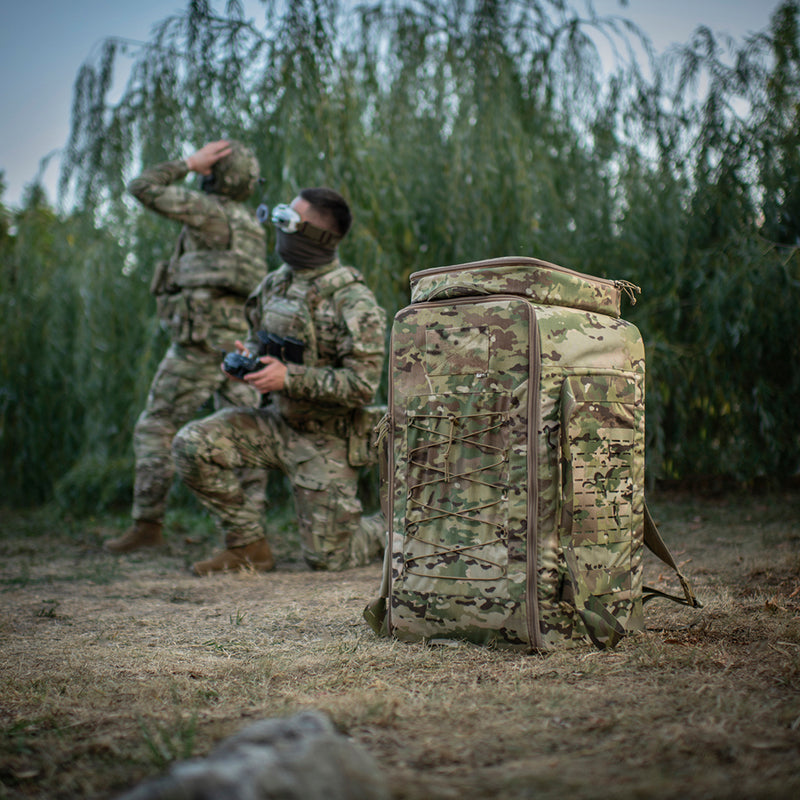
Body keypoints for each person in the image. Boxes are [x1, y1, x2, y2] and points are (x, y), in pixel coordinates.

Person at [171, 187, 387, 575]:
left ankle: (392, 528)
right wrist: (250, 360)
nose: (280, 231)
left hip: (330, 436)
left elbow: (362, 385)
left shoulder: (353, 301)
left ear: (318, 236)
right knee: (191, 445)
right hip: (277, 423)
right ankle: (247, 546)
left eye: (289, 222)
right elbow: (259, 337)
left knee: (329, 559)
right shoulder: (275, 284)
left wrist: (290, 378)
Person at [104, 140, 267, 554]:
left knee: (156, 425)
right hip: (238, 345)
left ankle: (147, 525)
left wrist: (187, 163)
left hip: (198, 345)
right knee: (246, 432)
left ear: (214, 173)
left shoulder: (207, 211)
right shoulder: (251, 223)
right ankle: (250, 535)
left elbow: (143, 187)